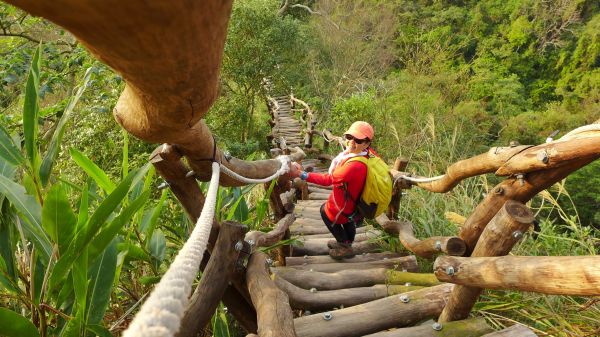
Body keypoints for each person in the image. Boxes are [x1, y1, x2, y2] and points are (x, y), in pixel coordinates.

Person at [290, 121, 375, 259]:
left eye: (358, 140)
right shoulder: (368, 154)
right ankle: (347, 242)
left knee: (326, 213)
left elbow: (328, 179)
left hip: (346, 202)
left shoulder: (354, 165)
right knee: (347, 220)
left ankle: (344, 245)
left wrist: (302, 174)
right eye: (349, 137)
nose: (351, 142)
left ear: (366, 143)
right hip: (353, 198)